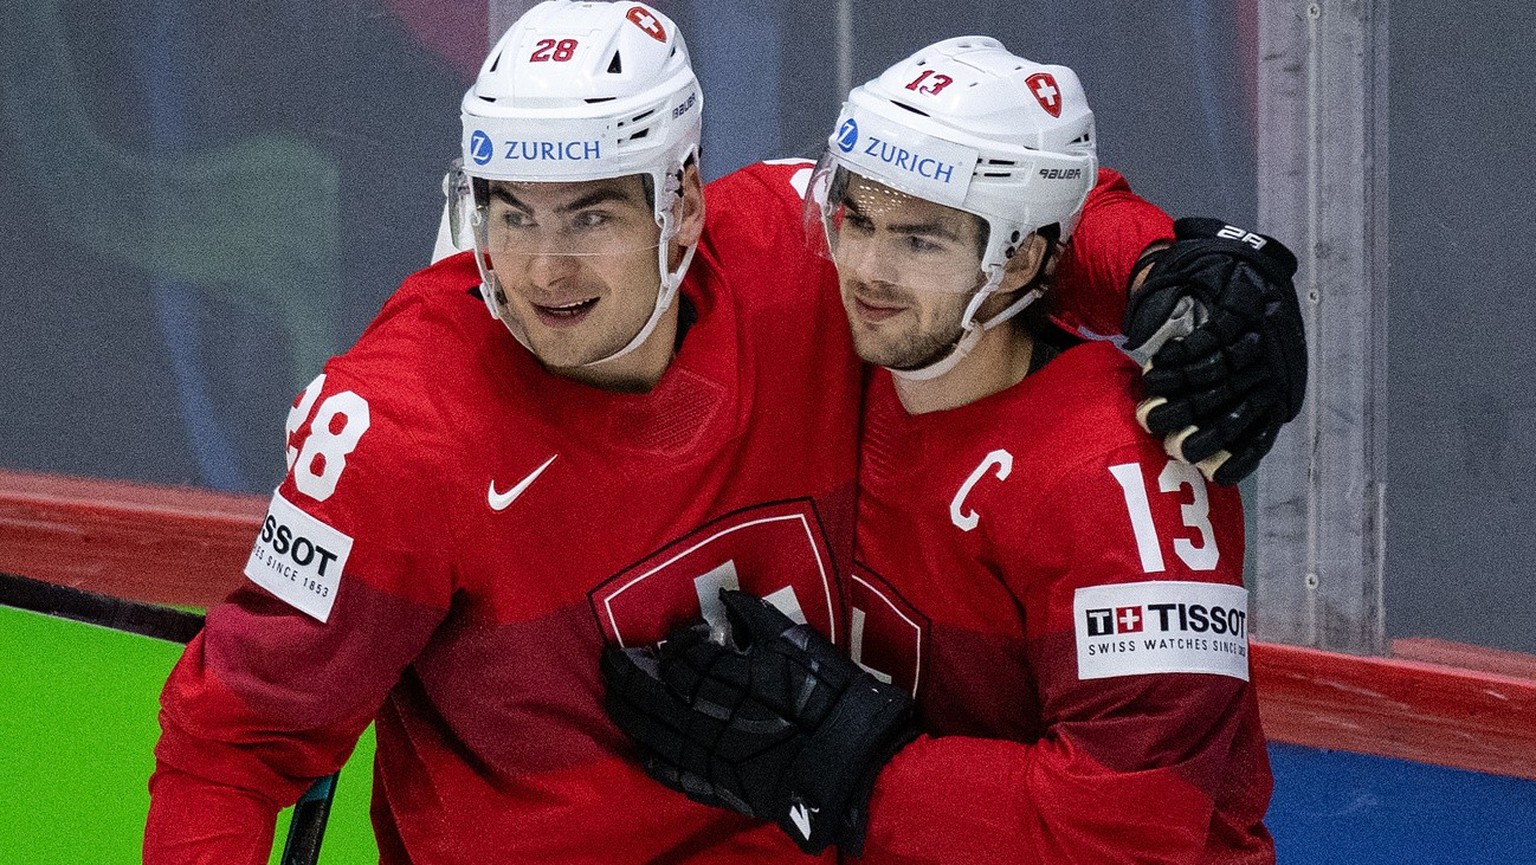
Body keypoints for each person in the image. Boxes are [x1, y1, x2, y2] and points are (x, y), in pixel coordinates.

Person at [145, 2, 1298, 862]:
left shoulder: (803, 265)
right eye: (512, 212)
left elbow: (979, 200)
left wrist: (1160, 268)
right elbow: (230, 747)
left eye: (593, 211)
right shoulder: (398, 429)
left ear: (683, 202)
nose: (543, 267)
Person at [602, 38, 1286, 863]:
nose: (868, 269)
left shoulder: (1124, 475)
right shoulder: (868, 352)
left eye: (921, 242)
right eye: (856, 219)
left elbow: (1133, 830)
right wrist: (1151, 263)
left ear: (1022, 259)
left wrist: (861, 768)